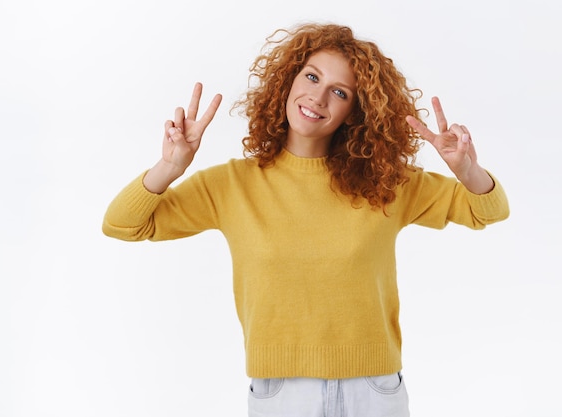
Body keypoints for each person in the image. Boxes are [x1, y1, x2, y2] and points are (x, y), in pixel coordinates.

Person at [102, 23, 509, 417]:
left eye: (339, 92)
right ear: (288, 80)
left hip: (373, 389)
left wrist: (466, 169)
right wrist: (170, 166)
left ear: (354, 112)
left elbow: (487, 210)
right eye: (311, 77)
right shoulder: (232, 185)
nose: (317, 98)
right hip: (280, 392)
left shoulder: (386, 184)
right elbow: (123, 224)